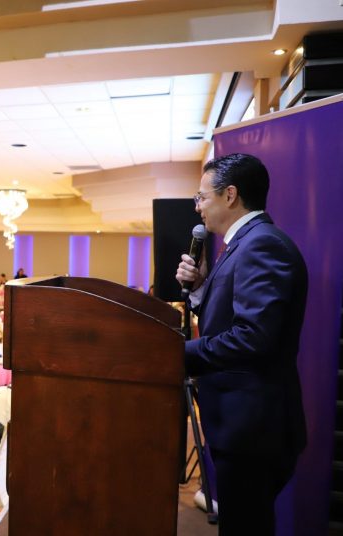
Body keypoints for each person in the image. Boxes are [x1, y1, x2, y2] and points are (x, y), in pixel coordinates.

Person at [175, 153, 307, 536]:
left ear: (230, 195)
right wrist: (200, 289)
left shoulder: (262, 246)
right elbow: (230, 321)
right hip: (243, 425)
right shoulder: (243, 244)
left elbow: (253, 337)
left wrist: (177, 355)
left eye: (202, 197)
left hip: (252, 429)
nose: (197, 206)